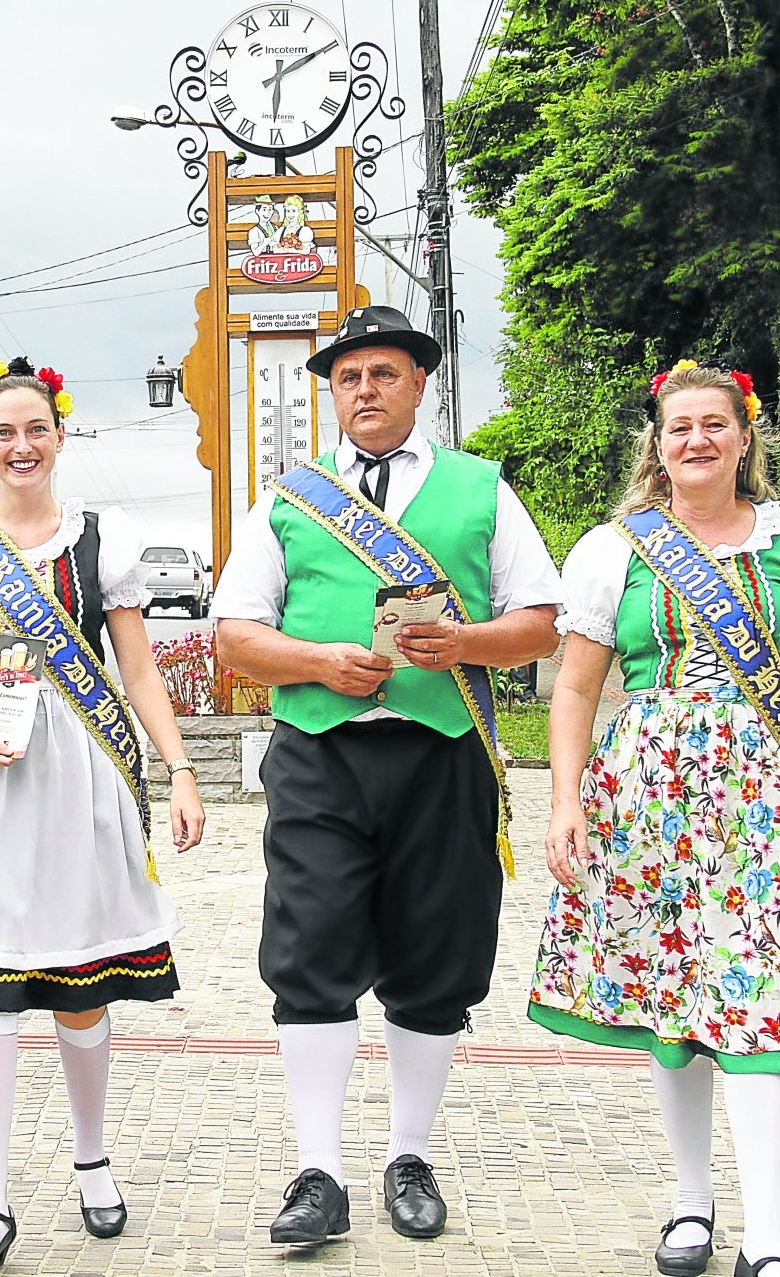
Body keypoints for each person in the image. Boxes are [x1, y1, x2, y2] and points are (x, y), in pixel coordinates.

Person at [531, 361, 780, 1277]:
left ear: (746, 438)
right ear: (658, 445)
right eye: (680, 427)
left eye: (715, 424)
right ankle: (690, 1204)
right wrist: (565, 800)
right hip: (647, 801)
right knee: (673, 1002)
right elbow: (576, 688)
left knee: (765, 1000)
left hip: (765, 801)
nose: (697, 440)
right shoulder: (615, 550)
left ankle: (768, 1240)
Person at [212, 306, 562, 1248]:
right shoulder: (289, 500)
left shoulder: (481, 488)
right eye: (348, 377)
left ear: (419, 384)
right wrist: (319, 663)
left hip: (444, 752)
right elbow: (235, 635)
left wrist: (466, 643)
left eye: (383, 374)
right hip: (319, 754)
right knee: (308, 948)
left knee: (436, 956)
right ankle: (318, 1170)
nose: (364, 390)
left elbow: (540, 622)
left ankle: (410, 1156)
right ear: (332, 393)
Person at [0, 357, 205, 1276]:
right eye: (5, 433)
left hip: (80, 778)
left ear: (60, 435)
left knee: (82, 986)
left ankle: (92, 1158)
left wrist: (181, 771)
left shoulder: (101, 543)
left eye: (36, 429)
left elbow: (138, 670)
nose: (21, 446)